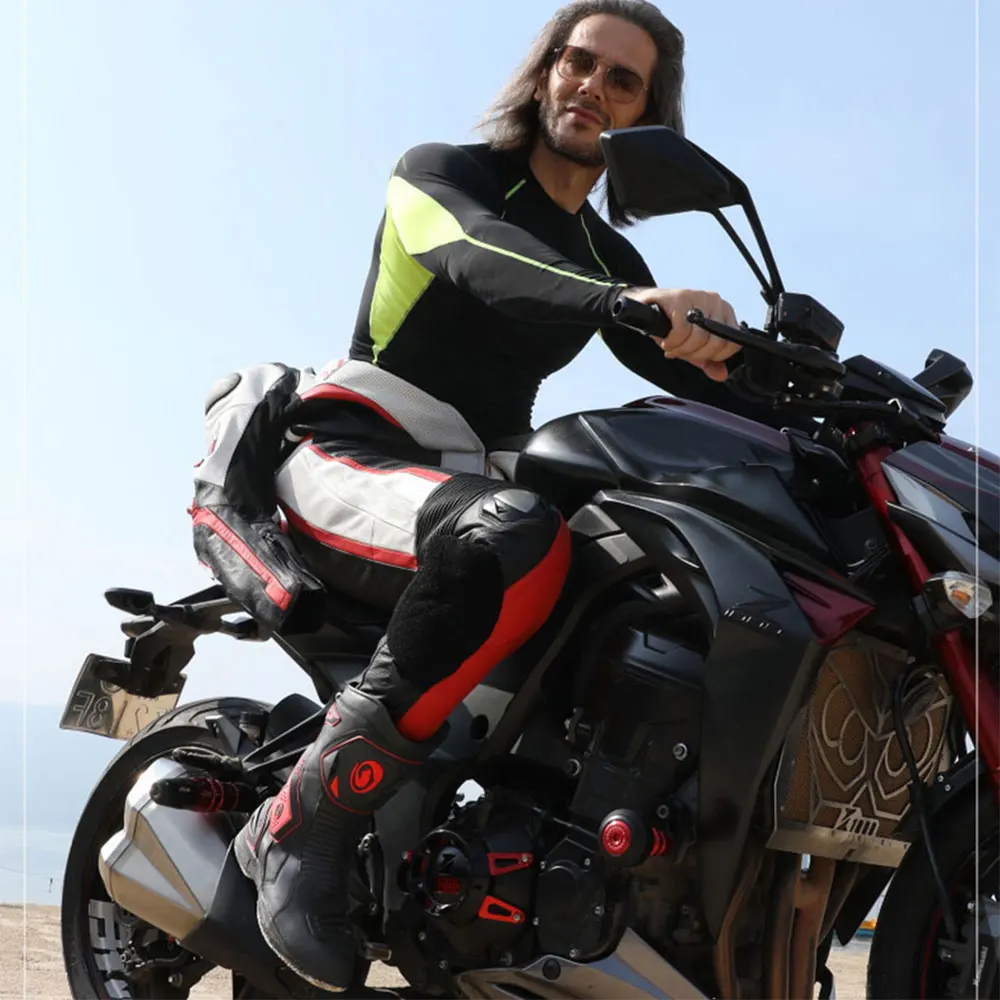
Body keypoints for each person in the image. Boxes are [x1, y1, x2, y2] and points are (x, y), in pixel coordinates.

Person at [192, 0, 760, 990]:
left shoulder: (608, 258)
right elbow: (484, 257)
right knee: (517, 534)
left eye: (621, 79)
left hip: (466, 489)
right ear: (544, 72)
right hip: (351, 450)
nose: (591, 86)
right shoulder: (441, 175)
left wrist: (819, 384)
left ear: (646, 116)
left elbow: (712, 383)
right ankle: (296, 826)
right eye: (577, 62)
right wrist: (627, 304)